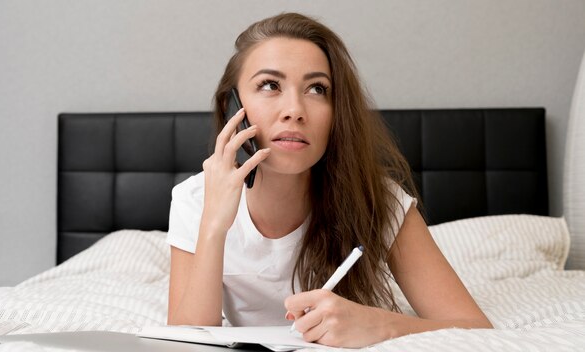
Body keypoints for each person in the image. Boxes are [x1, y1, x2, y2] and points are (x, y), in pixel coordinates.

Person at [167, 12, 492, 348]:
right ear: (233, 105)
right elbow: (184, 340)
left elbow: (475, 329)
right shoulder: (194, 199)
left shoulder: (377, 199)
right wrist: (214, 225)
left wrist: (381, 324)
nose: (294, 110)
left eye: (317, 89)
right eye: (270, 85)